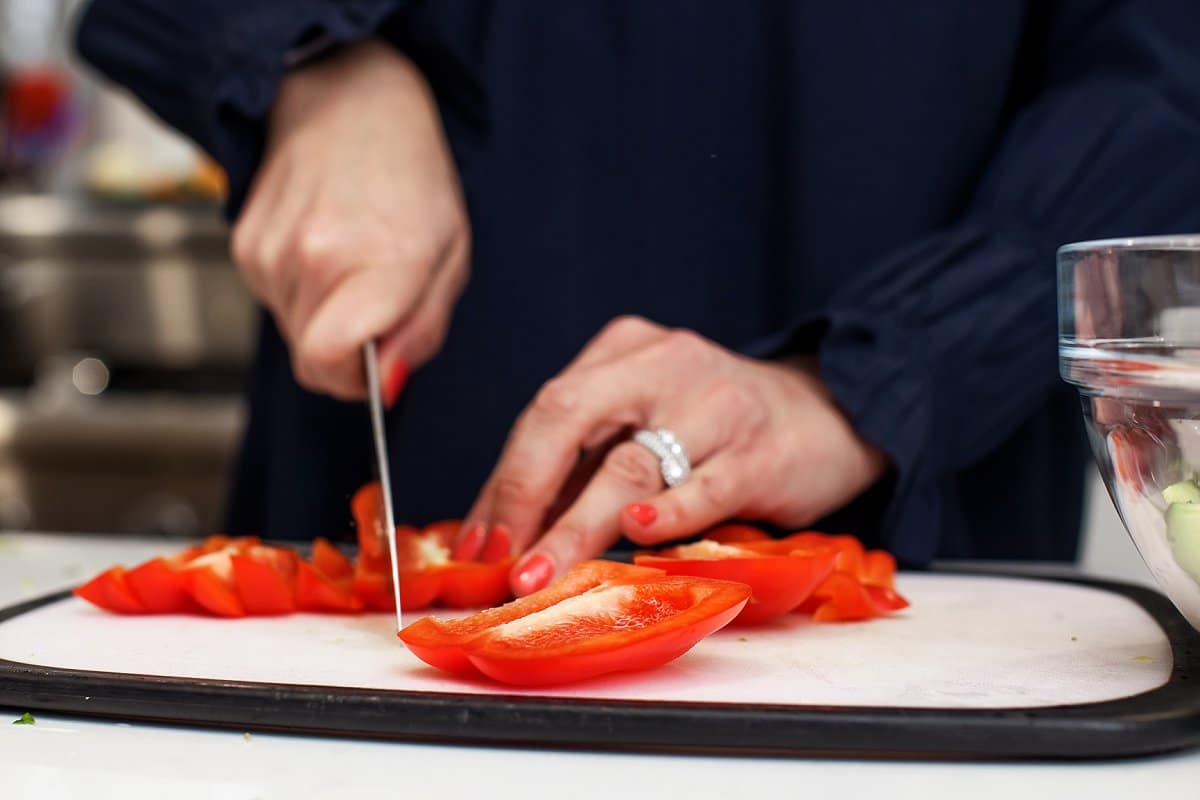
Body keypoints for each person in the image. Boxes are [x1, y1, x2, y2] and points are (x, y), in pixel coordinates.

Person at [75, 1, 1200, 596]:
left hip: (910, 500)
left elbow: (1166, 72)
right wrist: (310, 64)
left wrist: (883, 370)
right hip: (404, 458)